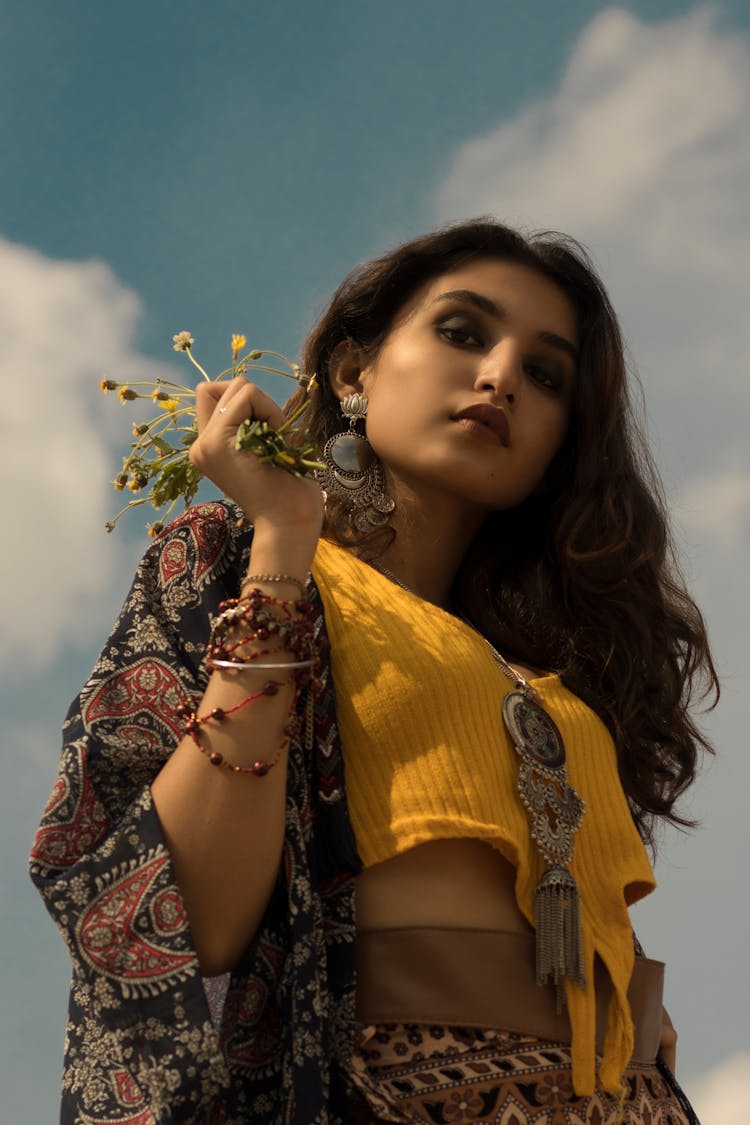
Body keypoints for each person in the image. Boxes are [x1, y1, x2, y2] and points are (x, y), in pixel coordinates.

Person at [30, 220, 714, 1124]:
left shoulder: (547, 669)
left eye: (545, 375)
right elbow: (190, 924)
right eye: (464, 332)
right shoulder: (242, 563)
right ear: (354, 373)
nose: (502, 375)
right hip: (390, 1092)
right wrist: (280, 537)